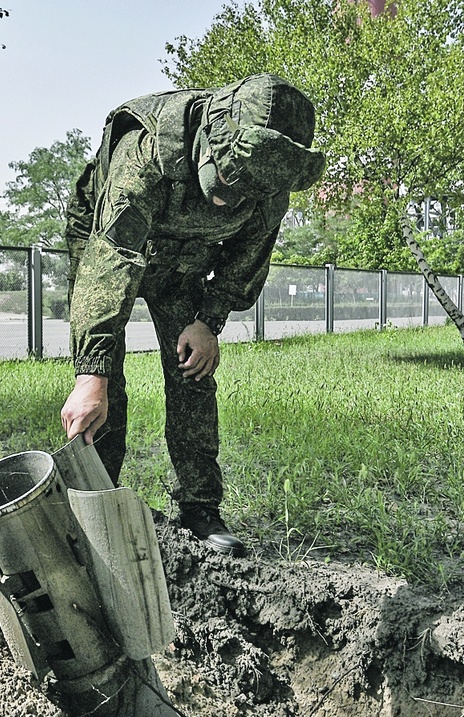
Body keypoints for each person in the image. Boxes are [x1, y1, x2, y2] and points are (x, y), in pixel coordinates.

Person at [59, 73, 326, 557]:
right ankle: (98, 502)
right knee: (104, 387)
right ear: (211, 143)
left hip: (185, 262)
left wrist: (208, 321)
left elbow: (248, 256)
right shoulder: (146, 154)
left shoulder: (271, 180)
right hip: (111, 243)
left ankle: (199, 507)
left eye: (250, 192)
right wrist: (90, 372)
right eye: (229, 180)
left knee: (193, 372)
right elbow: (111, 260)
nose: (234, 198)